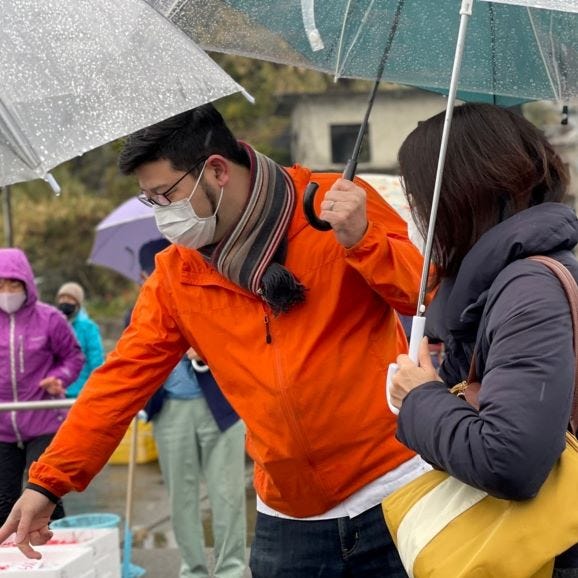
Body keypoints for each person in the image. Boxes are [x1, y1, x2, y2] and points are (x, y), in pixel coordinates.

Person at [0, 104, 426, 577]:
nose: (162, 215)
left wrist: (362, 237)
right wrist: (47, 484)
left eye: (166, 195)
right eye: (150, 201)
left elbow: (422, 295)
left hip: (395, 488)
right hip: (288, 515)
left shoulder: (335, 205)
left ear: (217, 170)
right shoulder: (175, 274)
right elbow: (120, 382)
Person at [390, 102, 578, 575]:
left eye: (419, 199)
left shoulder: (528, 290)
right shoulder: (492, 285)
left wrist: (421, 397)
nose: (415, 215)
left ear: (459, 196)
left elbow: (510, 459)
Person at [138, 238, 247, 578]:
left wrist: (206, 349)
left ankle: (230, 569)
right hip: (169, 410)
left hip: (221, 407)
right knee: (180, 498)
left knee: (227, 493)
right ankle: (193, 571)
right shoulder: (140, 310)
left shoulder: (213, 293)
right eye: (147, 273)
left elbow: (243, 340)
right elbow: (133, 363)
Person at [0, 248, 84, 526]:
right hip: (2, 427)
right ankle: (10, 564)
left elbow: (73, 356)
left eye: (14, 284)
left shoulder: (49, 319)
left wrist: (59, 378)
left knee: (44, 494)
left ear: (26, 284)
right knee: (4, 500)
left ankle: (59, 550)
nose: (7, 291)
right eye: (1, 285)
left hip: (43, 419)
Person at [55, 282, 105, 398]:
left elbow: (96, 359)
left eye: (70, 298)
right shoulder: (54, 325)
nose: (65, 301)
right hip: (58, 390)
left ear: (78, 303)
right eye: (62, 298)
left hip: (81, 392)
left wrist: (96, 388)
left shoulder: (88, 327)